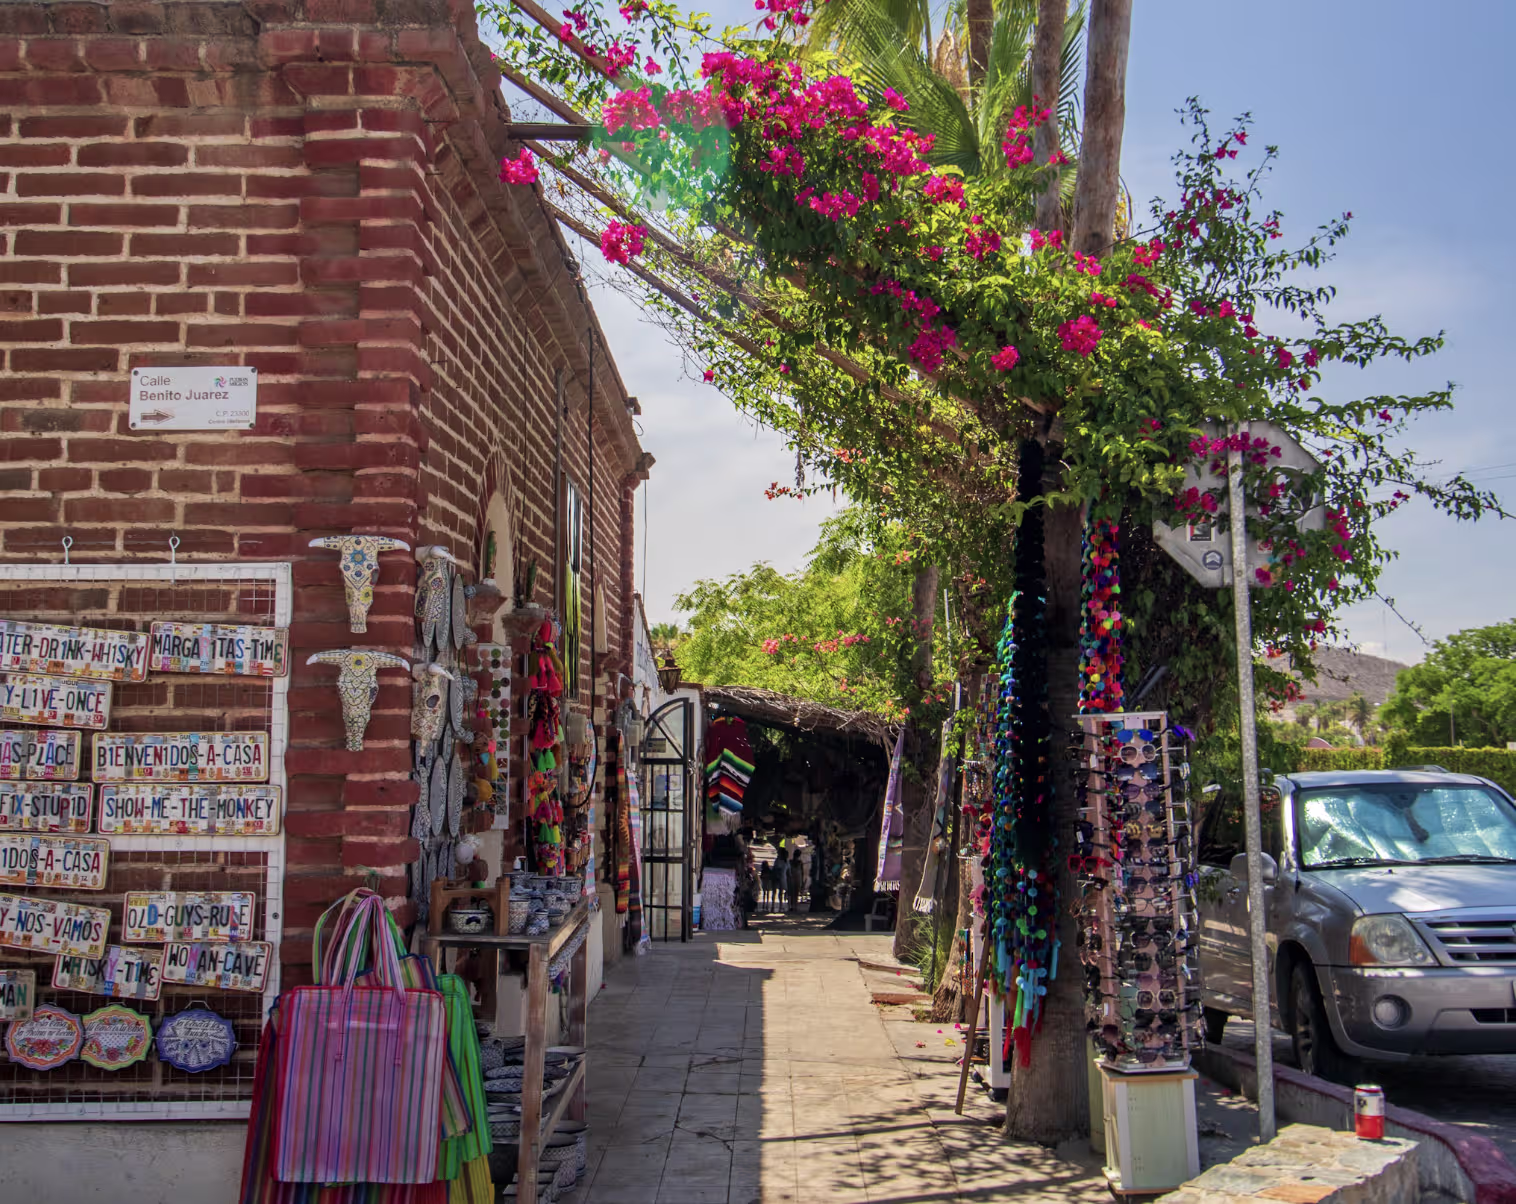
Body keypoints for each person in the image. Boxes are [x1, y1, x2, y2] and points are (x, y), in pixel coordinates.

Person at [787, 845, 804, 913]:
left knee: (792, 893)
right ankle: (794, 906)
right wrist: (802, 881)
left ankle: (791, 906)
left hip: (792, 878)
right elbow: (802, 872)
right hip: (797, 878)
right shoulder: (799, 863)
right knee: (794, 893)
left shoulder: (791, 862)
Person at [772, 845, 789, 913]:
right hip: (781, 877)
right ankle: (779, 906)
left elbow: (775, 868)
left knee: (777, 892)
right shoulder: (784, 861)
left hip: (780, 877)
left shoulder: (779, 861)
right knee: (779, 892)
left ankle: (777, 906)